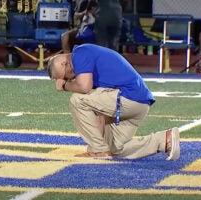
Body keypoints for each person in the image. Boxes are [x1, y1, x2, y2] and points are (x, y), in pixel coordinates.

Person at [46, 43, 180, 160]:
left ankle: (99, 150)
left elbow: (84, 86)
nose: (69, 80)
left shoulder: (80, 54)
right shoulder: (87, 59)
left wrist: (64, 86)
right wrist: (101, 143)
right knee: (116, 149)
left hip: (128, 98)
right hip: (137, 103)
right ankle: (164, 139)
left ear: (65, 63)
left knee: (77, 100)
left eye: (64, 77)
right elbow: (98, 114)